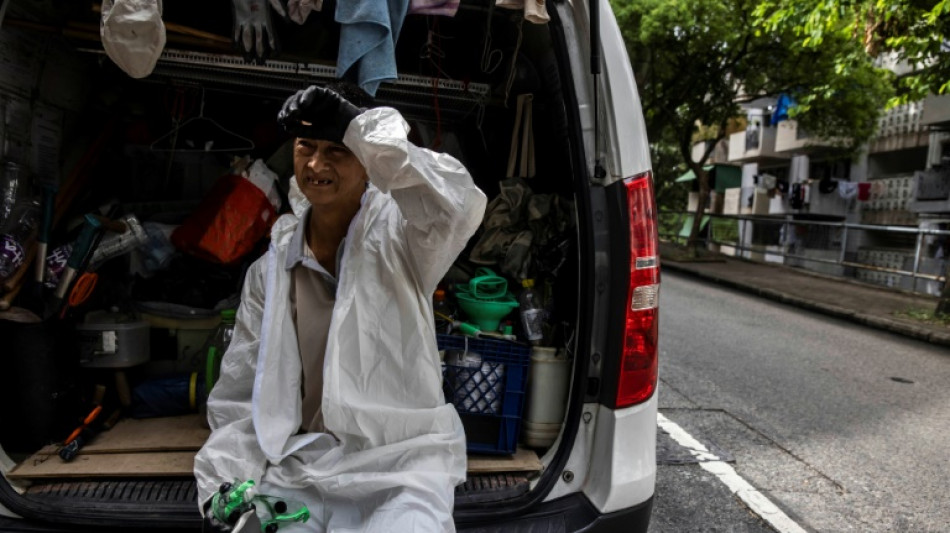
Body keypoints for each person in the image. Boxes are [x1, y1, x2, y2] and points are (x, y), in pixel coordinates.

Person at [194, 86, 487, 532]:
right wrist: (224, 479)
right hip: (299, 470)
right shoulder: (272, 268)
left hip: (399, 470)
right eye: (305, 147)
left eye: (337, 151)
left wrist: (363, 128)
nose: (316, 165)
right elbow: (243, 392)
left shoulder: (404, 237)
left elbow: (458, 205)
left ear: (366, 158)